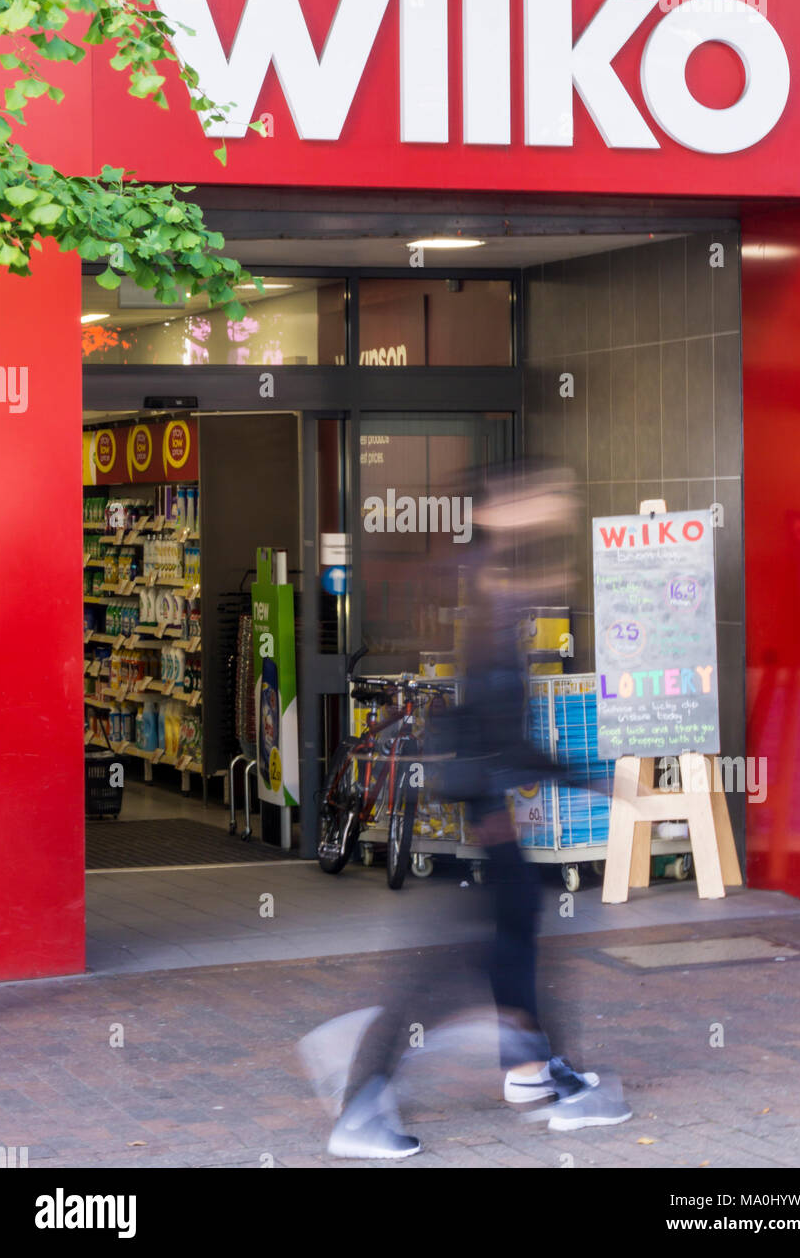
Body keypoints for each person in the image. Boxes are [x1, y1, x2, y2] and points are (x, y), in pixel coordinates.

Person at [299, 463, 631, 1160]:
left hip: (492, 801)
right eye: (538, 496)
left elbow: (499, 717)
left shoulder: (497, 579)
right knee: (453, 964)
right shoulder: (487, 582)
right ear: (500, 508)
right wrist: (581, 778)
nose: (553, 506)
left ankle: (533, 1073)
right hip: (488, 802)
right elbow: (490, 719)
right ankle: (363, 1094)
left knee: (517, 927)